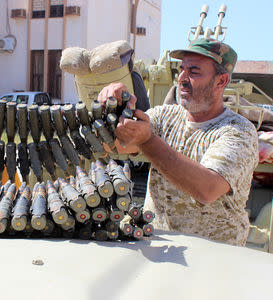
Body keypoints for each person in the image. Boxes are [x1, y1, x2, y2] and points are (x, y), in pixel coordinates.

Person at [98, 38, 258, 246]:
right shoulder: (165, 116)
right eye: (181, 69)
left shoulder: (238, 131)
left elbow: (207, 189)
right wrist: (116, 108)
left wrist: (147, 139)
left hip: (215, 258)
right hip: (160, 247)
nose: (182, 78)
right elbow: (121, 146)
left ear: (221, 81)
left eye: (194, 71)